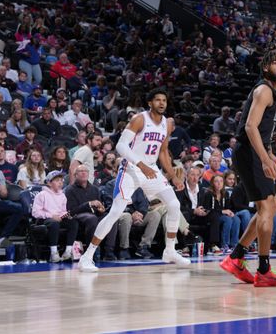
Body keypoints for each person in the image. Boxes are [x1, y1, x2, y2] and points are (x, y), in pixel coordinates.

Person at [78, 88, 190, 272]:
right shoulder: (140, 119)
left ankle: (170, 251)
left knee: (174, 205)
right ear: (149, 103)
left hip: (152, 169)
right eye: (158, 100)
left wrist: (172, 176)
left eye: (164, 100)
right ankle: (87, 256)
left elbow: (162, 152)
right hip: (131, 169)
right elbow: (121, 146)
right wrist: (141, 165)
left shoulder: (166, 124)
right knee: (115, 212)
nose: (162, 103)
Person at [220, 50, 276, 287]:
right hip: (249, 152)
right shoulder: (263, 90)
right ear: (265, 68)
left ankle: (236, 258)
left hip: (253, 152)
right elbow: (250, 127)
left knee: (270, 207)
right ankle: (263, 270)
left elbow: (262, 132)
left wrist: (270, 155)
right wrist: (263, 158)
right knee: (266, 208)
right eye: (275, 62)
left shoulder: (271, 92)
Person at [65, 164, 119, 261]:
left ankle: (109, 251)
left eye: (85, 171)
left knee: (111, 218)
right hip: (78, 216)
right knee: (91, 218)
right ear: (75, 175)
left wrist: (101, 209)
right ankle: (92, 251)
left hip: (94, 214)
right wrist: (88, 204)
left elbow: (100, 205)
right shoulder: (70, 190)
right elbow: (72, 211)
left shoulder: (94, 189)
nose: (83, 173)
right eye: (80, 171)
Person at [31, 170, 72, 262]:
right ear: (49, 183)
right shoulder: (42, 195)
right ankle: (53, 253)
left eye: (61, 180)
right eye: (57, 180)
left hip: (58, 218)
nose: (60, 183)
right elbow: (35, 213)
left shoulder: (62, 196)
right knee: (54, 223)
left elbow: (63, 211)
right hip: (44, 219)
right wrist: (51, 215)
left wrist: (65, 215)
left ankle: (68, 251)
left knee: (73, 221)